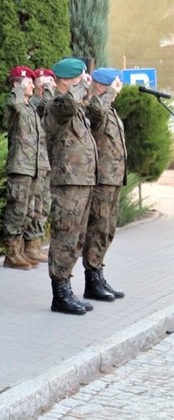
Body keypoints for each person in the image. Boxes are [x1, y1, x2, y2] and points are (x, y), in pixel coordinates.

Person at [42, 57, 98, 315]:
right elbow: (67, 104)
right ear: (65, 80)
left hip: (82, 181)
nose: (85, 82)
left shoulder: (75, 107)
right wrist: (79, 88)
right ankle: (60, 295)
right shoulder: (58, 104)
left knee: (77, 238)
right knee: (65, 236)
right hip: (67, 182)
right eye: (80, 77)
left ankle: (68, 289)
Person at [83, 67, 127, 301]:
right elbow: (96, 111)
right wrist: (108, 94)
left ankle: (99, 274)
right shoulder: (95, 107)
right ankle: (91, 281)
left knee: (107, 230)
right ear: (101, 86)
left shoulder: (110, 110)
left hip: (114, 179)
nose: (118, 88)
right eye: (115, 84)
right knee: (97, 229)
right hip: (101, 179)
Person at [1, 66, 49, 270]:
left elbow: (47, 104)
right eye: (27, 81)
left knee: (29, 212)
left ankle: (22, 250)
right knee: (17, 211)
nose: (32, 83)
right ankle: (11, 254)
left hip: (34, 167)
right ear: (17, 85)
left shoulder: (31, 108)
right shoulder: (16, 105)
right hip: (21, 166)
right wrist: (18, 88)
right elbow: (14, 104)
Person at [26, 67, 57, 264]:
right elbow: (45, 105)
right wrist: (46, 89)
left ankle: (36, 244)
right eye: (47, 82)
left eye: (52, 82)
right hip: (36, 161)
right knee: (34, 205)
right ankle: (30, 246)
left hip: (47, 160)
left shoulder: (49, 100)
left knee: (43, 205)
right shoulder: (35, 103)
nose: (51, 85)